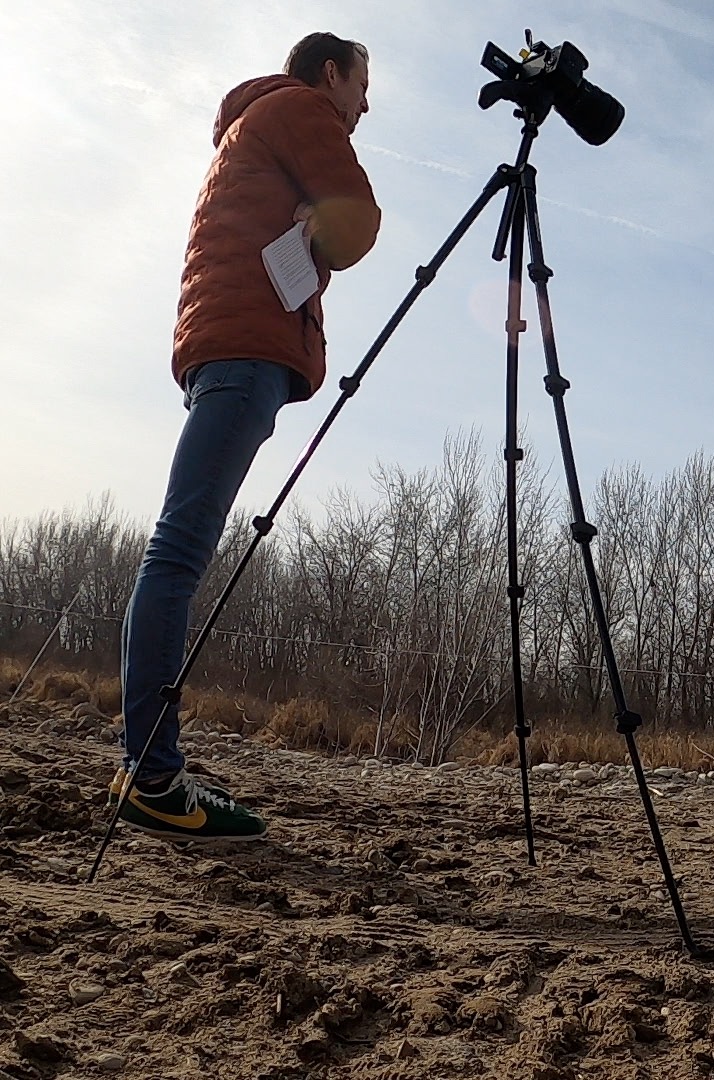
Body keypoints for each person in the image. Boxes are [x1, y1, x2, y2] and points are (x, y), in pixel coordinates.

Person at [114, 32, 381, 840]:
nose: (364, 105)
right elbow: (361, 224)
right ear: (330, 74)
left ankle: (149, 765)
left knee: (178, 547)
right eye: (362, 86)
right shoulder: (302, 108)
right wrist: (325, 228)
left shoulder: (250, 122)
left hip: (221, 349)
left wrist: (313, 225)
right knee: (179, 551)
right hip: (242, 351)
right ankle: (153, 777)